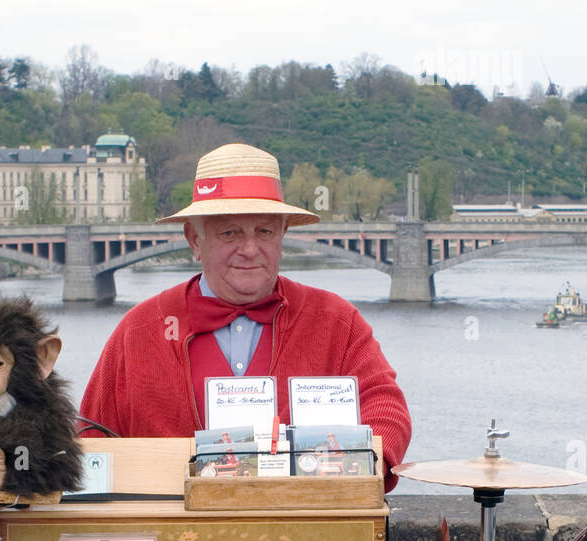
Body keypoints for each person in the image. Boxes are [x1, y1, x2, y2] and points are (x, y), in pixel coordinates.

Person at [80, 143, 412, 488]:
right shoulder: (138, 331)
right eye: (230, 233)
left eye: (264, 232)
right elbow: (89, 436)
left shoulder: (337, 321)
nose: (250, 249)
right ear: (195, 239)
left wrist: (366, 464)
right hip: (175, 535)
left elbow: (388, 409)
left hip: (305, 530)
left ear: (283, 235)